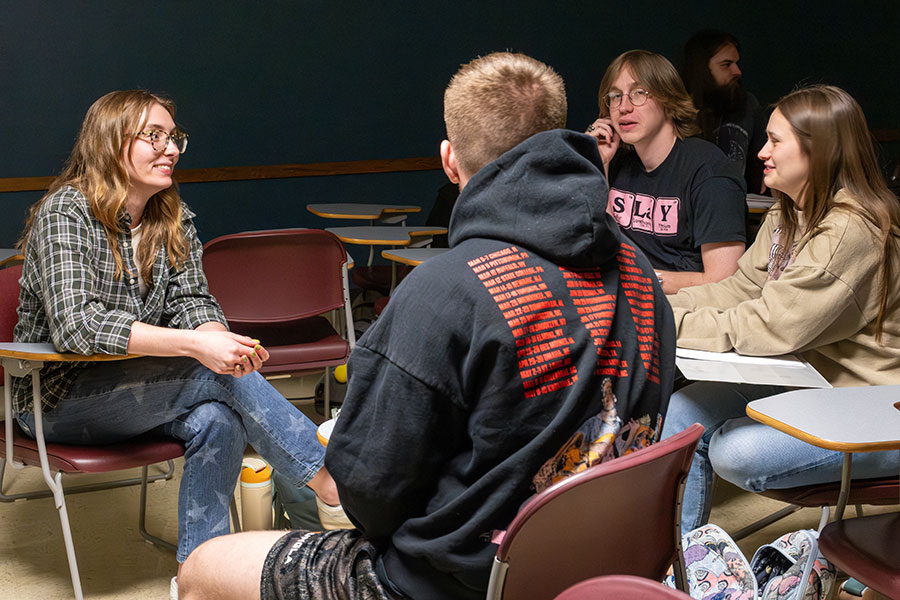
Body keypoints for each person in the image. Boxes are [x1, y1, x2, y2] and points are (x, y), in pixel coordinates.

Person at [180, 52, 676, 600]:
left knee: (202, 568)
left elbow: (365, 495)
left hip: (454, 584)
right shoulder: (638, 269)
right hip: (594, 564)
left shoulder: (445, 290)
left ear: (449, 160)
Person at [12, 90, 345, 595]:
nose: (170, 148)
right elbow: (76, 326)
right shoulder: (68, 210)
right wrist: (196, 349)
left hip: (143, 392)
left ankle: (198, 576)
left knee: (218, 412)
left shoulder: (172, 217)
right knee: (205, 369)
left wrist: (219, 341)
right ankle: (330, 487)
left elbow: (194, 303)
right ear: (110, 141)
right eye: (154, 136)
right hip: (57, 400)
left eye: (174, 138)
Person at [659, 84, 900, 532]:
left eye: (774, 141)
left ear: (819, 151)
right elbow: (740, 290)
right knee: (683, 413)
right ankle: (676, 571)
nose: (761, 152)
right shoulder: (788, 213)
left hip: (876, 404)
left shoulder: (850, 232)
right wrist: (657, 305)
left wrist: (665, 324)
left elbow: (769, 326)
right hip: (811, 379)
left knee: (735, 451)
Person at [586, 50, 747, 294]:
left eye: (639, 93)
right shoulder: (614, 161)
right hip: (620, 297)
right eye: (615, 96)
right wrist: (598, 165)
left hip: (683, 307)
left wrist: (637, 279)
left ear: (669, 102)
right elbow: (596, 246)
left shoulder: (710, 172)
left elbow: (723, 281)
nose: (624, 107)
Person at [681, 30, 768, 194]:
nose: (737, 71)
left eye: (736, 63)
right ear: (702, 68)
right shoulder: (677, 109)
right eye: (726, 64)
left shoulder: (748, 105)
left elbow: (761, 160)